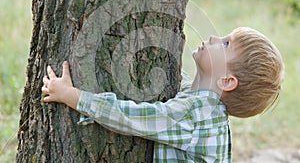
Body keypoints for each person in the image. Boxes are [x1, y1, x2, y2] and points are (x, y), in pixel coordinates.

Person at [41, 27, 284, 162]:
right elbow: (184, 87)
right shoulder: (202, 104)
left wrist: (72, 96)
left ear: (227, 81)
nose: (213, 37)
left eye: (225, 45)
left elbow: (132, 118)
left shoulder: (197, 113)